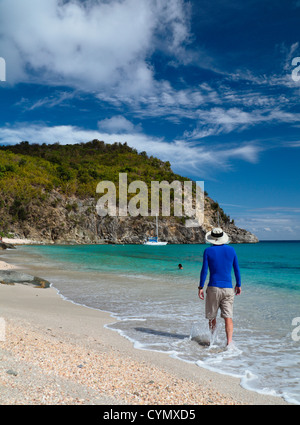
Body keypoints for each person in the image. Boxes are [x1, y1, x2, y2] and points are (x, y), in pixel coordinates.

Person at [198, 227, 241, 345]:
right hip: (228, 288)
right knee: (228, 317)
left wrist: (200, 287)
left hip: (213, 288)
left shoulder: (208, 251)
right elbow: (236, 269)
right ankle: (229, 343)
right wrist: (238, 284)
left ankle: (213, 340)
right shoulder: (232, 250)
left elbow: (204, 271)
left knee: (212, 317)